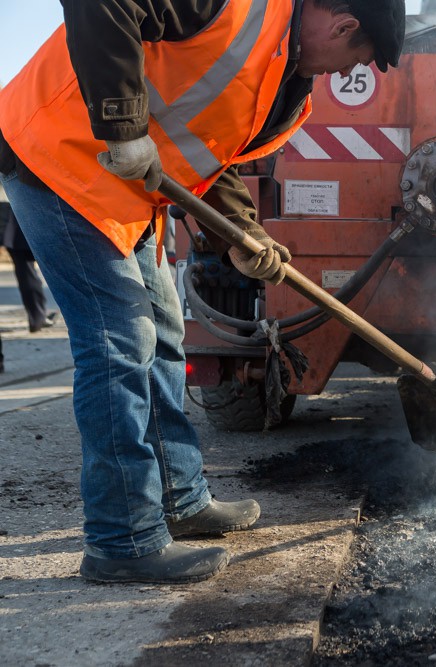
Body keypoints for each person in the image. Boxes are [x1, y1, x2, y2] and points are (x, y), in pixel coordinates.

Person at [0, 0, 405, 584]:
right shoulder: (236, 6)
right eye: (352, 61)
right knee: (120, 344)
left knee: (164, 336)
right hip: (58, 160)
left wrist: (241, 235)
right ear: (343, 26)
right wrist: (122, 124)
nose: (341, 75)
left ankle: (180, 500)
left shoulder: (277, 70)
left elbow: (209, 156)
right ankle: (123, 539)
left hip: (121, 193)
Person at [2, 212, 55, 333]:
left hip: (12, 222)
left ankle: (38, 317)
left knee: (25, 271)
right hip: (16, 222)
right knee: (27, 272)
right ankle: (37, 318)